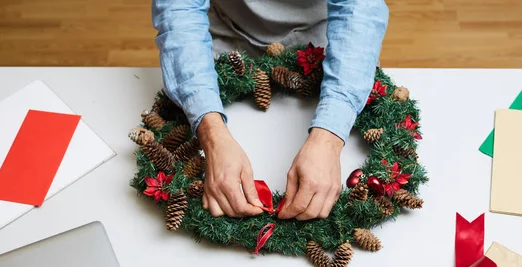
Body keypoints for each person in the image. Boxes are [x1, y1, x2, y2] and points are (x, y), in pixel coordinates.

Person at [152, 0, 389, 220]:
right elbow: (179, 9)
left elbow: (360, 8)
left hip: (329, 45)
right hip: (221, 43)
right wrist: (211, 134)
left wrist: (329, 138)